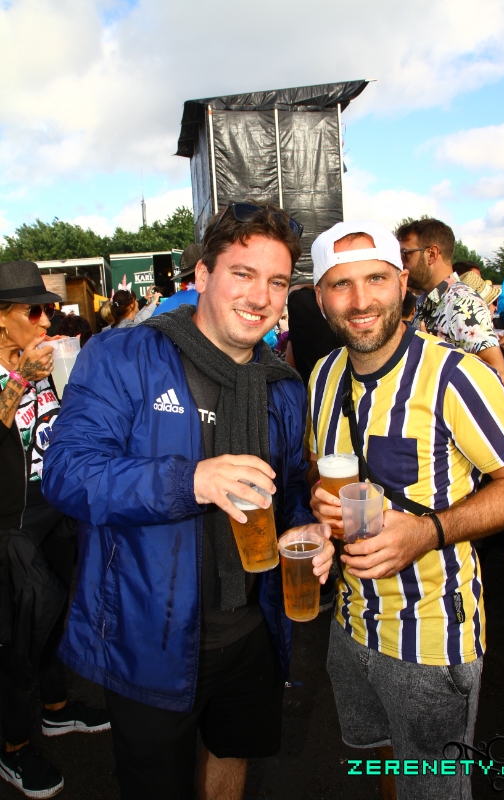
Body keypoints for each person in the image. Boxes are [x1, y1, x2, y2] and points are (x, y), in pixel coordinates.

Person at [42, 201, 334, 800]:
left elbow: (289, 490)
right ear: (202, 275)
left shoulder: (282, 387)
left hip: (252, 627)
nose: (260, 296)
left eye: (277, 281)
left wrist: (307, 528)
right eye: (242, 274)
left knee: (232, 752)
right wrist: (191, 481)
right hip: (149, 635)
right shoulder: (123, 357)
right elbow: (67, 474)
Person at [305, 220, 504, 800]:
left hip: (431, 640)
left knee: (434, 787)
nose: (361, 301)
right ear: (319, 297)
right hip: (350, 625)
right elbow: (318, 469)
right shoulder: (322, 377)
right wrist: (319, 505)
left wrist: (428, 532)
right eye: (341, 284)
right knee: (384, 764)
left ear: (403, 283)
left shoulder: (455, 377)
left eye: (376, 279)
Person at [0, 261, 109, 800]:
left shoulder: (47, 356)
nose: (47, 320)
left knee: (54, 613)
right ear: (1, 318)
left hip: (55, 506)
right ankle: (12, 747)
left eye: (49, 309)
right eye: (34, 311)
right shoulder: (19, 369)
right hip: (11, 519)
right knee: (17, 632)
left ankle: (56, 709)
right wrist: (21, 379)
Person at [397, 218, 504, 386]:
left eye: (406, 254)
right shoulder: (428, 300)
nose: (401, 263)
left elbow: (498, 374)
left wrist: (434, 356)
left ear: (432, 254)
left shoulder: (462, 302)